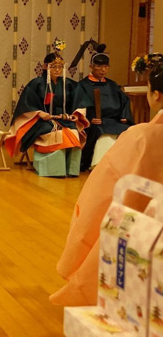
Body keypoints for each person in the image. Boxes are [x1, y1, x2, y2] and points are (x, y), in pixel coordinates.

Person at [51, 55, 163, 306]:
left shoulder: (142, 137)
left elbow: (106, 187)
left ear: (155, 95)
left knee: (103, 209)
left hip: (151, 226)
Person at [5, 46, 89, 177]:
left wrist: (75, 115)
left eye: (60, 67)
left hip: (64, 119)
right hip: (40, 121)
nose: (57, 70)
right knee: (58, 133)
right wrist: (39, 113)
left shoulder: (69, 84)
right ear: (45, 67)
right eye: (53, 67)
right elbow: (26, 105)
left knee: (73, 132)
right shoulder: (36, 84)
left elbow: (80, 102)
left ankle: (71, 170)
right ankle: (54, 169)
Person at [72, 47, 134, 171]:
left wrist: (125, 116)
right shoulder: (82, 85)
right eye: (99, 67)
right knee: (100, 131)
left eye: (106, 67)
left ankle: (124, 166)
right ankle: (99, 165)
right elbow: (79, 105)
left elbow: (124, 101)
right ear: (91, 66)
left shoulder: (112, 84)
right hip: (95, 122)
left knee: (129, 131)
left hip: (115, 120)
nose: (103, 70)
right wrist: (90, 118)